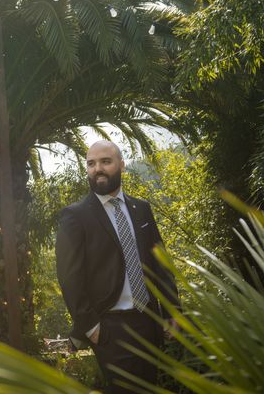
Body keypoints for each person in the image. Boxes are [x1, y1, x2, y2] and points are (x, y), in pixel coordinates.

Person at [55, 140, 179, 393]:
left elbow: (161, 263)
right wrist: (91, 327)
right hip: (110, 328)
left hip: (149, 323)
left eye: (105, 162)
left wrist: (172, 311)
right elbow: (70, 278)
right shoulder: (75, 216)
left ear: (121, 165)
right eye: (91, 164)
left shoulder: (141, 209)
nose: (97, 168)